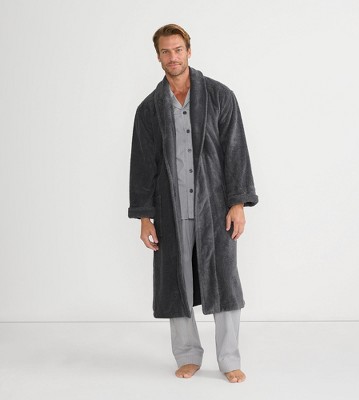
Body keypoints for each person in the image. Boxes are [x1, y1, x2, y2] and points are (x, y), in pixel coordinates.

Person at [128, 24, 258, 383]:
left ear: (188, 50)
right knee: (177, 282)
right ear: (158, 57)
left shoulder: (219, 96)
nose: (173, 57)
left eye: (178, 49)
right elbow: (143, 165)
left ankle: (229, 359)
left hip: (215, 208)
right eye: (165, 51)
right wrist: (144, 216)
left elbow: (235, 151)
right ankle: (187, 355)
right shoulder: (149, 109)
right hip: (170, 210)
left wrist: (237, 203)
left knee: (224, 280)